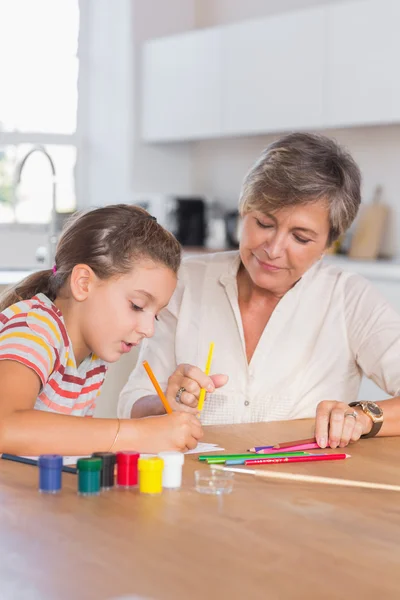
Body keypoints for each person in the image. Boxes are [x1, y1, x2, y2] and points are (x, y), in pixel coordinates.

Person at [118, 133, 400, 449]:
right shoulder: (185, 282)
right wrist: (165, 404)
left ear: (328, 243)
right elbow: (133, 403)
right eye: (264, 223)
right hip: (197, 487)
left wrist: (361, 417)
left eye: (301, 238)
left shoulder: (349, 299)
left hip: (302, 493)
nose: (274, 249)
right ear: (243, 211)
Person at [0, 204, 213, 456]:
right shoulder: (34, 330)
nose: (148, 329)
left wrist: (162, 411)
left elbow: (68, 442)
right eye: (137, 306)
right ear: (83, 283)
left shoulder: (93, 354)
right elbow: (5, 427)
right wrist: (140, 435)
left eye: (155, 315)